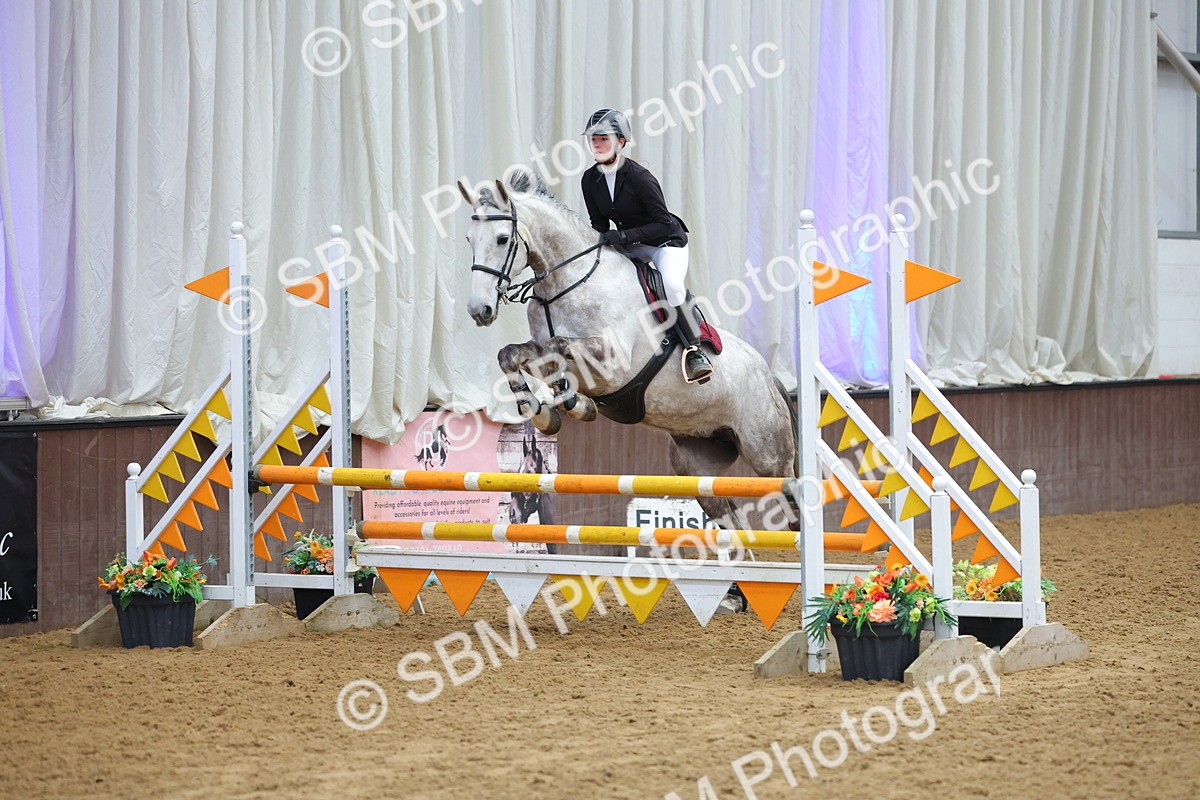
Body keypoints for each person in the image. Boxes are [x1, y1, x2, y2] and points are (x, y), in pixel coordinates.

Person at [579, 108, 714, 384]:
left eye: (603, 138)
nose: (597, 144)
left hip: (665, 242)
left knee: (672, 285)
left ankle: (694, 349)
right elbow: (599, 224)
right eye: (593, 139)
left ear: (621, 142)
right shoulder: (589, 180)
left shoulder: (640, 177)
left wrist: (623, 236)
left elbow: (663, 223)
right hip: (631, 245)